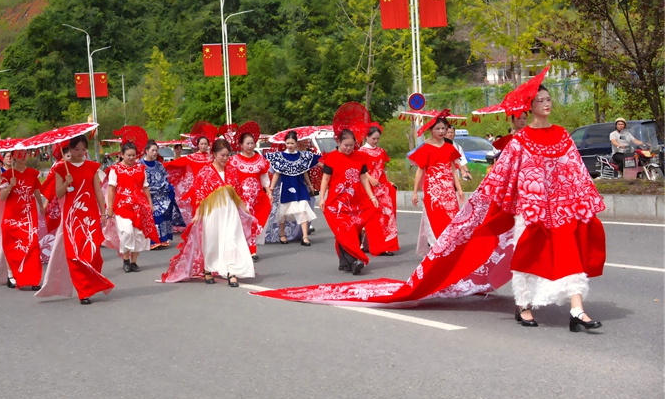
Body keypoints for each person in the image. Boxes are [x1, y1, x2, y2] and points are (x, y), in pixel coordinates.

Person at [253, 77, 606, 333]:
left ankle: (577, 310)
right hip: (529, 210)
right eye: (540, 98)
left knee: (570, 254)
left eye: (548, 98)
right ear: (528, 108)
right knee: (527, 257)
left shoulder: (561, 135)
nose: (546, 102)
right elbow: (501, 178)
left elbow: (575, 171)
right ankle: (524, 305)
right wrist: (483, 205)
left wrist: (583, 201)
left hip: (560, 209)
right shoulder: (520, 141)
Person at [162, 139, 257, 287]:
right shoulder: (205, 172)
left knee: (232, 239)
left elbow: (238, 193)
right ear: (214, 154)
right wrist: (197, 214)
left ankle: (231, 271)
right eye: (222, 155)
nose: (225, 158)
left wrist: (245, 209)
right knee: (212, 241)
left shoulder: (232, 171)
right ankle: (208, 268)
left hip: (230, 211)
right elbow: (199, 196)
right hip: (212, 212)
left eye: (227, 155)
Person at [50, 135, 114, 304]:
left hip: (90, 216)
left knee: (93, 253)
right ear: (69, 149)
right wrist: (66, 182)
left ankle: (91, 283)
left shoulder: (92, 167)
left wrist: (103, 212)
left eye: (83, 149)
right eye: (76, 149)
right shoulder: (61, 169)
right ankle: (83, 291)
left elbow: (98, 192)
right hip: (72, 218)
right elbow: (58, 194)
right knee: (75, 255)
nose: (79, 153)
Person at [318, 129, 381, 275]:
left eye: (351, 145)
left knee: (354, 229)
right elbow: (325, 179)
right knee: (343, 230)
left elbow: (364, 178)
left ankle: (345, 262)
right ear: (338, 142)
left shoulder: (359, 157)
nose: (348, 148)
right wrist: (322, 198)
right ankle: (354, 261)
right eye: (345, 145)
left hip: (356, 200)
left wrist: (371, 196)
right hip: (337, 202)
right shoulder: (331, 158)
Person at [410, 116, 465, 256]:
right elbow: (420, 171)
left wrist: (459, 189)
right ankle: (437, 250)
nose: (441, 131)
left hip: (448, 190)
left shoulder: (449, 148)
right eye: (437, 129)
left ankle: (450, 250)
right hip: (433, 191)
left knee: (451, 219)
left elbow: (453, 169)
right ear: (431, 130)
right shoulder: (425, 149)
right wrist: (415, 192)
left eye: (443, 128)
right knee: (435, 220)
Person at [106, 142, 158, 273]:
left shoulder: (141, 168)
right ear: (122, 155)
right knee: (127, 232)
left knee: (138, 234)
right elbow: (111, 189)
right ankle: (125, 258)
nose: (131, 158)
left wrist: (150, 204)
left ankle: (134, 262)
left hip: (140, 206)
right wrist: (110, 207)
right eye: (128, 155)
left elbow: (145, 187)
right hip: (122, 206)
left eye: (133, 155)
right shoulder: (115, 169)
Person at [0, 150, 46, 290]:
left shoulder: (32, 173)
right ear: (13, 157)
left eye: (25, 153)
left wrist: (41, 205)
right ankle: (11, 274)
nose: (23, 156)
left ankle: (33, 278)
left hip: (28, 214)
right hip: (12, 215)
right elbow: (2, 197)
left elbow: (37, 190)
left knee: (32, 244)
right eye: (19, 154)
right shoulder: (6, 175)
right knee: (12, 245)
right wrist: (11, 185)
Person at [265, 131, 320, 246]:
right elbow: (276, 174)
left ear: (296, 144)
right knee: (283, 212)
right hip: (286, 188)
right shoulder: (279, 157)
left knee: (303, 209)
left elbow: (305, 172)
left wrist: (310, 186)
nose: (289, 145)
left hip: (300, 187)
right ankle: (282, 233)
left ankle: (305, 237)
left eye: (292, 143)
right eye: (288, 143)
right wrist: (271, 188)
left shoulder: (303, 156)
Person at [357, 125, 400, 256]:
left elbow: (381, 169)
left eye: (377, 138)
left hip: (382, 186)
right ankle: (372, 245)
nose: (375, 141)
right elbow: (360, 170)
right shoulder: (360, 152)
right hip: (368, 187)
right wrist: (370, 179)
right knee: (373, 217)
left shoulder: (381, 151)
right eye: (373, 138)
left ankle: (387, 245)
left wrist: (387, 182)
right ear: (367, 137)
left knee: (387, 216)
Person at [228, 128, 269, 262]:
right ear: (241, 145)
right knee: (240, 224)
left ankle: (252, 250)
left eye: (252, 143)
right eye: (247, 143)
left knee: (253, 223)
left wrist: (269, 192)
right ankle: (241, 250)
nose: (250, 146)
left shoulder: (260, 160)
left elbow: (264, 178)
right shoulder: (234, 160)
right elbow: (229, 178)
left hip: (257, 199)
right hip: (240, 199)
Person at [140, 140, 184, 251]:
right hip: (148, 195)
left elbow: (164, 178)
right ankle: (153, 241)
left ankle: (162, 239)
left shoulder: (159, 164)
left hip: (161, 194)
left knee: (163, 214)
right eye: (152, 150)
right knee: (155, 216)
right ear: (146, 151)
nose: (155, 153)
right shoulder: (140, 165)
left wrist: (167, 187)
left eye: (156, 150)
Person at [165, 135, 212, 233]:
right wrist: (161, 165)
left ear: (208, 145)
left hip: (211, 188)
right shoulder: (192, 157)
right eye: (201, 144)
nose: (203, 146)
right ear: (197, 145)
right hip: (197, 189)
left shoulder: (212, 157)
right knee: (197, 210)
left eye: (205, 144)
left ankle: (209, 230)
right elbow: (176, 164)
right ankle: (199, 231)